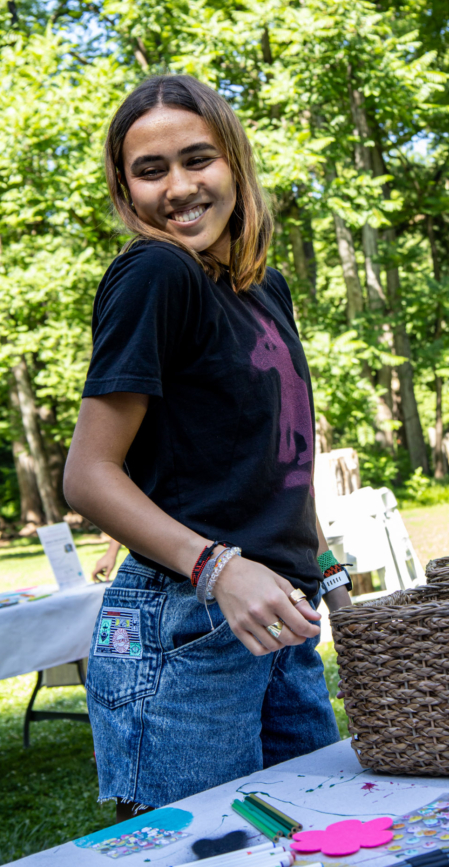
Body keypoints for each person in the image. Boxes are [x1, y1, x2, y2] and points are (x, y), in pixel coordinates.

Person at [64, 75, 352, 822]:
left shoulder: (266, 289)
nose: (179, 187)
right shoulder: (155, 272)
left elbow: (275, 466)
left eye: (198, 160)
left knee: (312, 834)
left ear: (234, 163)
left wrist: (332, 575)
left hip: (282, 615)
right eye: (150, 170)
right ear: (125, 188)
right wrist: (217, 567)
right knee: (208, 846)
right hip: (187, 622)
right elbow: (87, 476)